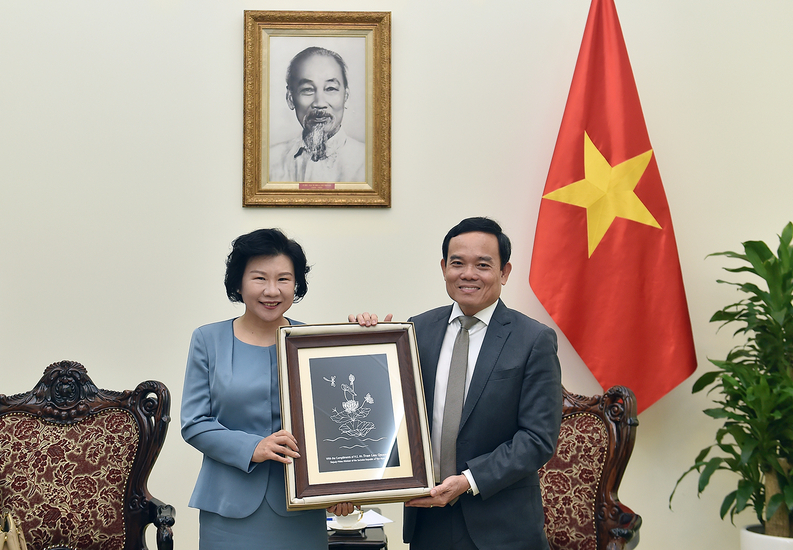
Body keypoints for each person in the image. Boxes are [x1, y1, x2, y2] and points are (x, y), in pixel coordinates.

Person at [353, 217, 562, 550]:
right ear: (443, 267)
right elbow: (385, 411)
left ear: (504, 272)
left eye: (482, 265)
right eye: (458, 263)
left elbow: (537, 438)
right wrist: (366, 344)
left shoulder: (533, 339)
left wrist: (468, 481)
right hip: (429, 518)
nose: (468, 274)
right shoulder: (415, 330)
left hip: (502, 525)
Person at [181, 228, 355, 550]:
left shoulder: (315, 342)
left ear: (297, 285)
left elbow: (334, 421)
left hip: (300, 507)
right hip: (228, 510)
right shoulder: (208, 340)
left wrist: (343, 488)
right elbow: (194, 423)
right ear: (239, 282)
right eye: (259, 278)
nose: (272, 291)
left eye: (284, 279)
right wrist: (253, 447)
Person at [269, 46, 365, 183]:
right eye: (307, 89)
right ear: (290, 99)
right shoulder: (270, 162)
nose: (319, 103)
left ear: (346, 97)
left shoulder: (368, 162)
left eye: (330, 88)